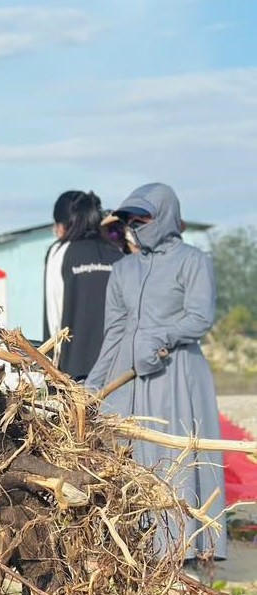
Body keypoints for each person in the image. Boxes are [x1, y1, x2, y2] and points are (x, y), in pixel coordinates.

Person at [85, 183, 227, 563]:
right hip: (127, 375)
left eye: (143, 217)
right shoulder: (123, 269)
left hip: (174, 372)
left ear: (164, 215)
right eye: (131, 219)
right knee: (129, 458)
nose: (135, 225)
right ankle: (137, 548)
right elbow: (114, 330)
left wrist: (160, 337)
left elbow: (199, 318)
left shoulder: (194, 261)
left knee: (174, 455)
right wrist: (95, 383)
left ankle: (185, 549)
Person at [42, 191, 123, 380]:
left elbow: (53, 313)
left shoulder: (59, 252)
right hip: (117, 370)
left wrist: (48, 368)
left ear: (63, 224)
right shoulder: (117, 254)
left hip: (74, 372)